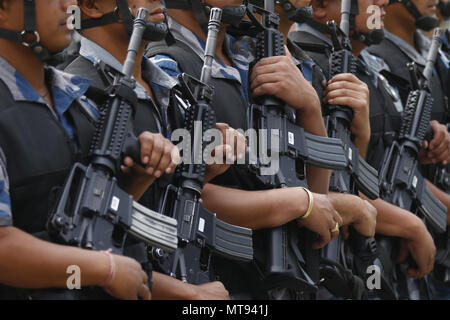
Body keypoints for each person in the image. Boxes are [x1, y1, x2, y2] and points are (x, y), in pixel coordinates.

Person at [146, 0, 378, 299]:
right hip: (220, 279)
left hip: (289, 270)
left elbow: (316, 189)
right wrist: (298, 203)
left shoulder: (250, 55)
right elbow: (179, 195)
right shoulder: (169, 67)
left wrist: (308, 105)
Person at [64, 0, 247, 300]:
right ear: (92, 6)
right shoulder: (80, 97)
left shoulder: (170, 91)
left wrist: (204, 169)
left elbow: (163, 209)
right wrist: (184, 294)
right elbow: (82, 243)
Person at [288, 0, 444, 299]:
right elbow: (324, 183)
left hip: (377, 257)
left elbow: (371, 163)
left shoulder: (369, 67)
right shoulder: (306, 68)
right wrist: (411, 225)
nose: (383, 2)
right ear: (320, 7)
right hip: (328, 263)